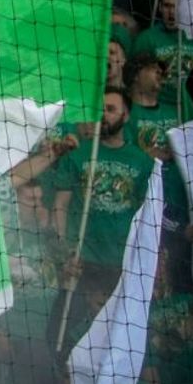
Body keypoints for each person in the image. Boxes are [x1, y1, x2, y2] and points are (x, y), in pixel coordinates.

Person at [51, 87, 156, 299]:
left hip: (123, 260)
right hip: (81, 259)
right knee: (67, 316)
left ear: (126, 115)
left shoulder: (142, 160)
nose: (104, 115)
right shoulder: (78, 154)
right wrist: (65, 249)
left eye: (110, 109)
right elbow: (60, 204)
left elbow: (147, 213)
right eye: (100, 110)